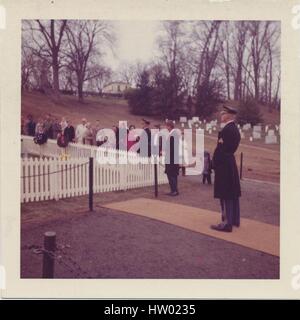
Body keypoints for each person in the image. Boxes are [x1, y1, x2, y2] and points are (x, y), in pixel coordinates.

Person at [211, 106, 241, 233]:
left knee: (226, 193)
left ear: (228, 115)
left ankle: (227, 223)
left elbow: (221, 150)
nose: (221, 115)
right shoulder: (234, 129)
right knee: (232, 193)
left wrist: (214, 163)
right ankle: (234, 220)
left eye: (223, 113)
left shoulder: (227, 130)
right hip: (230, 163)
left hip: (224, 165)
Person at [164, 120, 180, 196]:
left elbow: (172, 148)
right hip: (173, 158)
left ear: (169, 126)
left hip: (171, 158)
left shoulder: (173, 134)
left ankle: (174, 190)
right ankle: (174, 190)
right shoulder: (174, 134)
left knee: (171, 174)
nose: (166, 128)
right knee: (173, 174)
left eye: (167, 126)